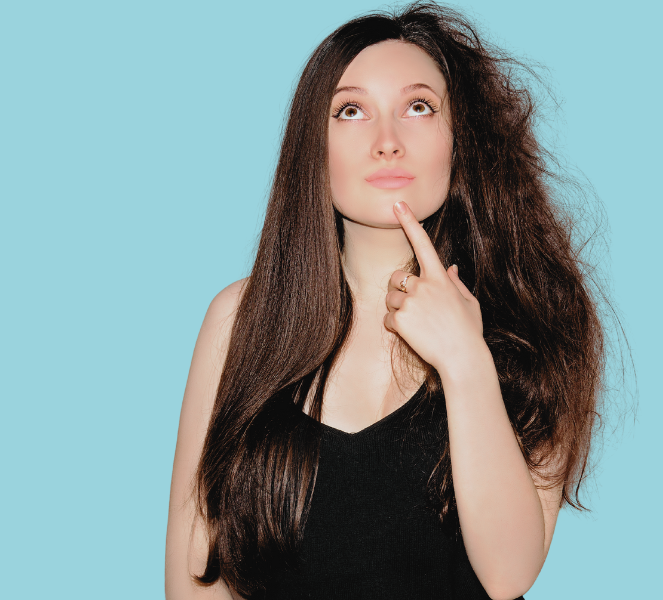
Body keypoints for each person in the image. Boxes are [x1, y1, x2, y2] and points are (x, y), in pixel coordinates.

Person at [166, 3, 608, 599]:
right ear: (312, 151)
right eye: (351, 111)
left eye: (418, 107)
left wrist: (464, 359)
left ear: (461, 142)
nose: (387, 142)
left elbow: (508, 575)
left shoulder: (534, 321)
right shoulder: (239, 322)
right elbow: (195, 582)